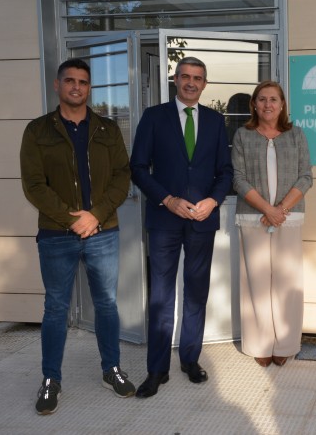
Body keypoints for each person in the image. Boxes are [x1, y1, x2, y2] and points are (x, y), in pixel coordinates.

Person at [20, 58, 134, 415]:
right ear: (57, 86)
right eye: (69, 81)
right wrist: (72, 220)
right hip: (57, 234)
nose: (76, 87)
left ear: (90, 88)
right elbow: (34, 185)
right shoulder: (37, 131)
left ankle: (111, 369)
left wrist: (95, 215)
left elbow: (122, 177)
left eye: (83, 82)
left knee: (106, 305)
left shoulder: (107, 129)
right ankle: (51, 378)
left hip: (102, 231)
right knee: (55, 308)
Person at [130, 57, 233, 398]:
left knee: (196, 292)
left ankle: (190, 358)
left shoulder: (216, 121)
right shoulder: (154, 117)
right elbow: (139, 168)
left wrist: (213, 201)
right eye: (185, 76)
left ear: (205, 84)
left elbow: (225, 171)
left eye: (198, 78)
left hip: (202, 220)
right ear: (175, 80)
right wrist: (167, 199)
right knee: (161, 295)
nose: (191, 83)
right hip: (164, 220)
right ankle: (156, 369)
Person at [232, 81, 312, 367]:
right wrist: (268, 209)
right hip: (253, 217)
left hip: (288, 219)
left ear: (282, 105)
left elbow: (306, 177)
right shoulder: (243, 135)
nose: (268, 104)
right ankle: (259, 343)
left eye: (274, 99)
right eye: (262, 99)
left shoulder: (296, 135)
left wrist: (280, 210)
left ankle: (286, 343)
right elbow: (238, 178)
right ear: (254, 103)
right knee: (256, 282)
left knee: (286, 282)